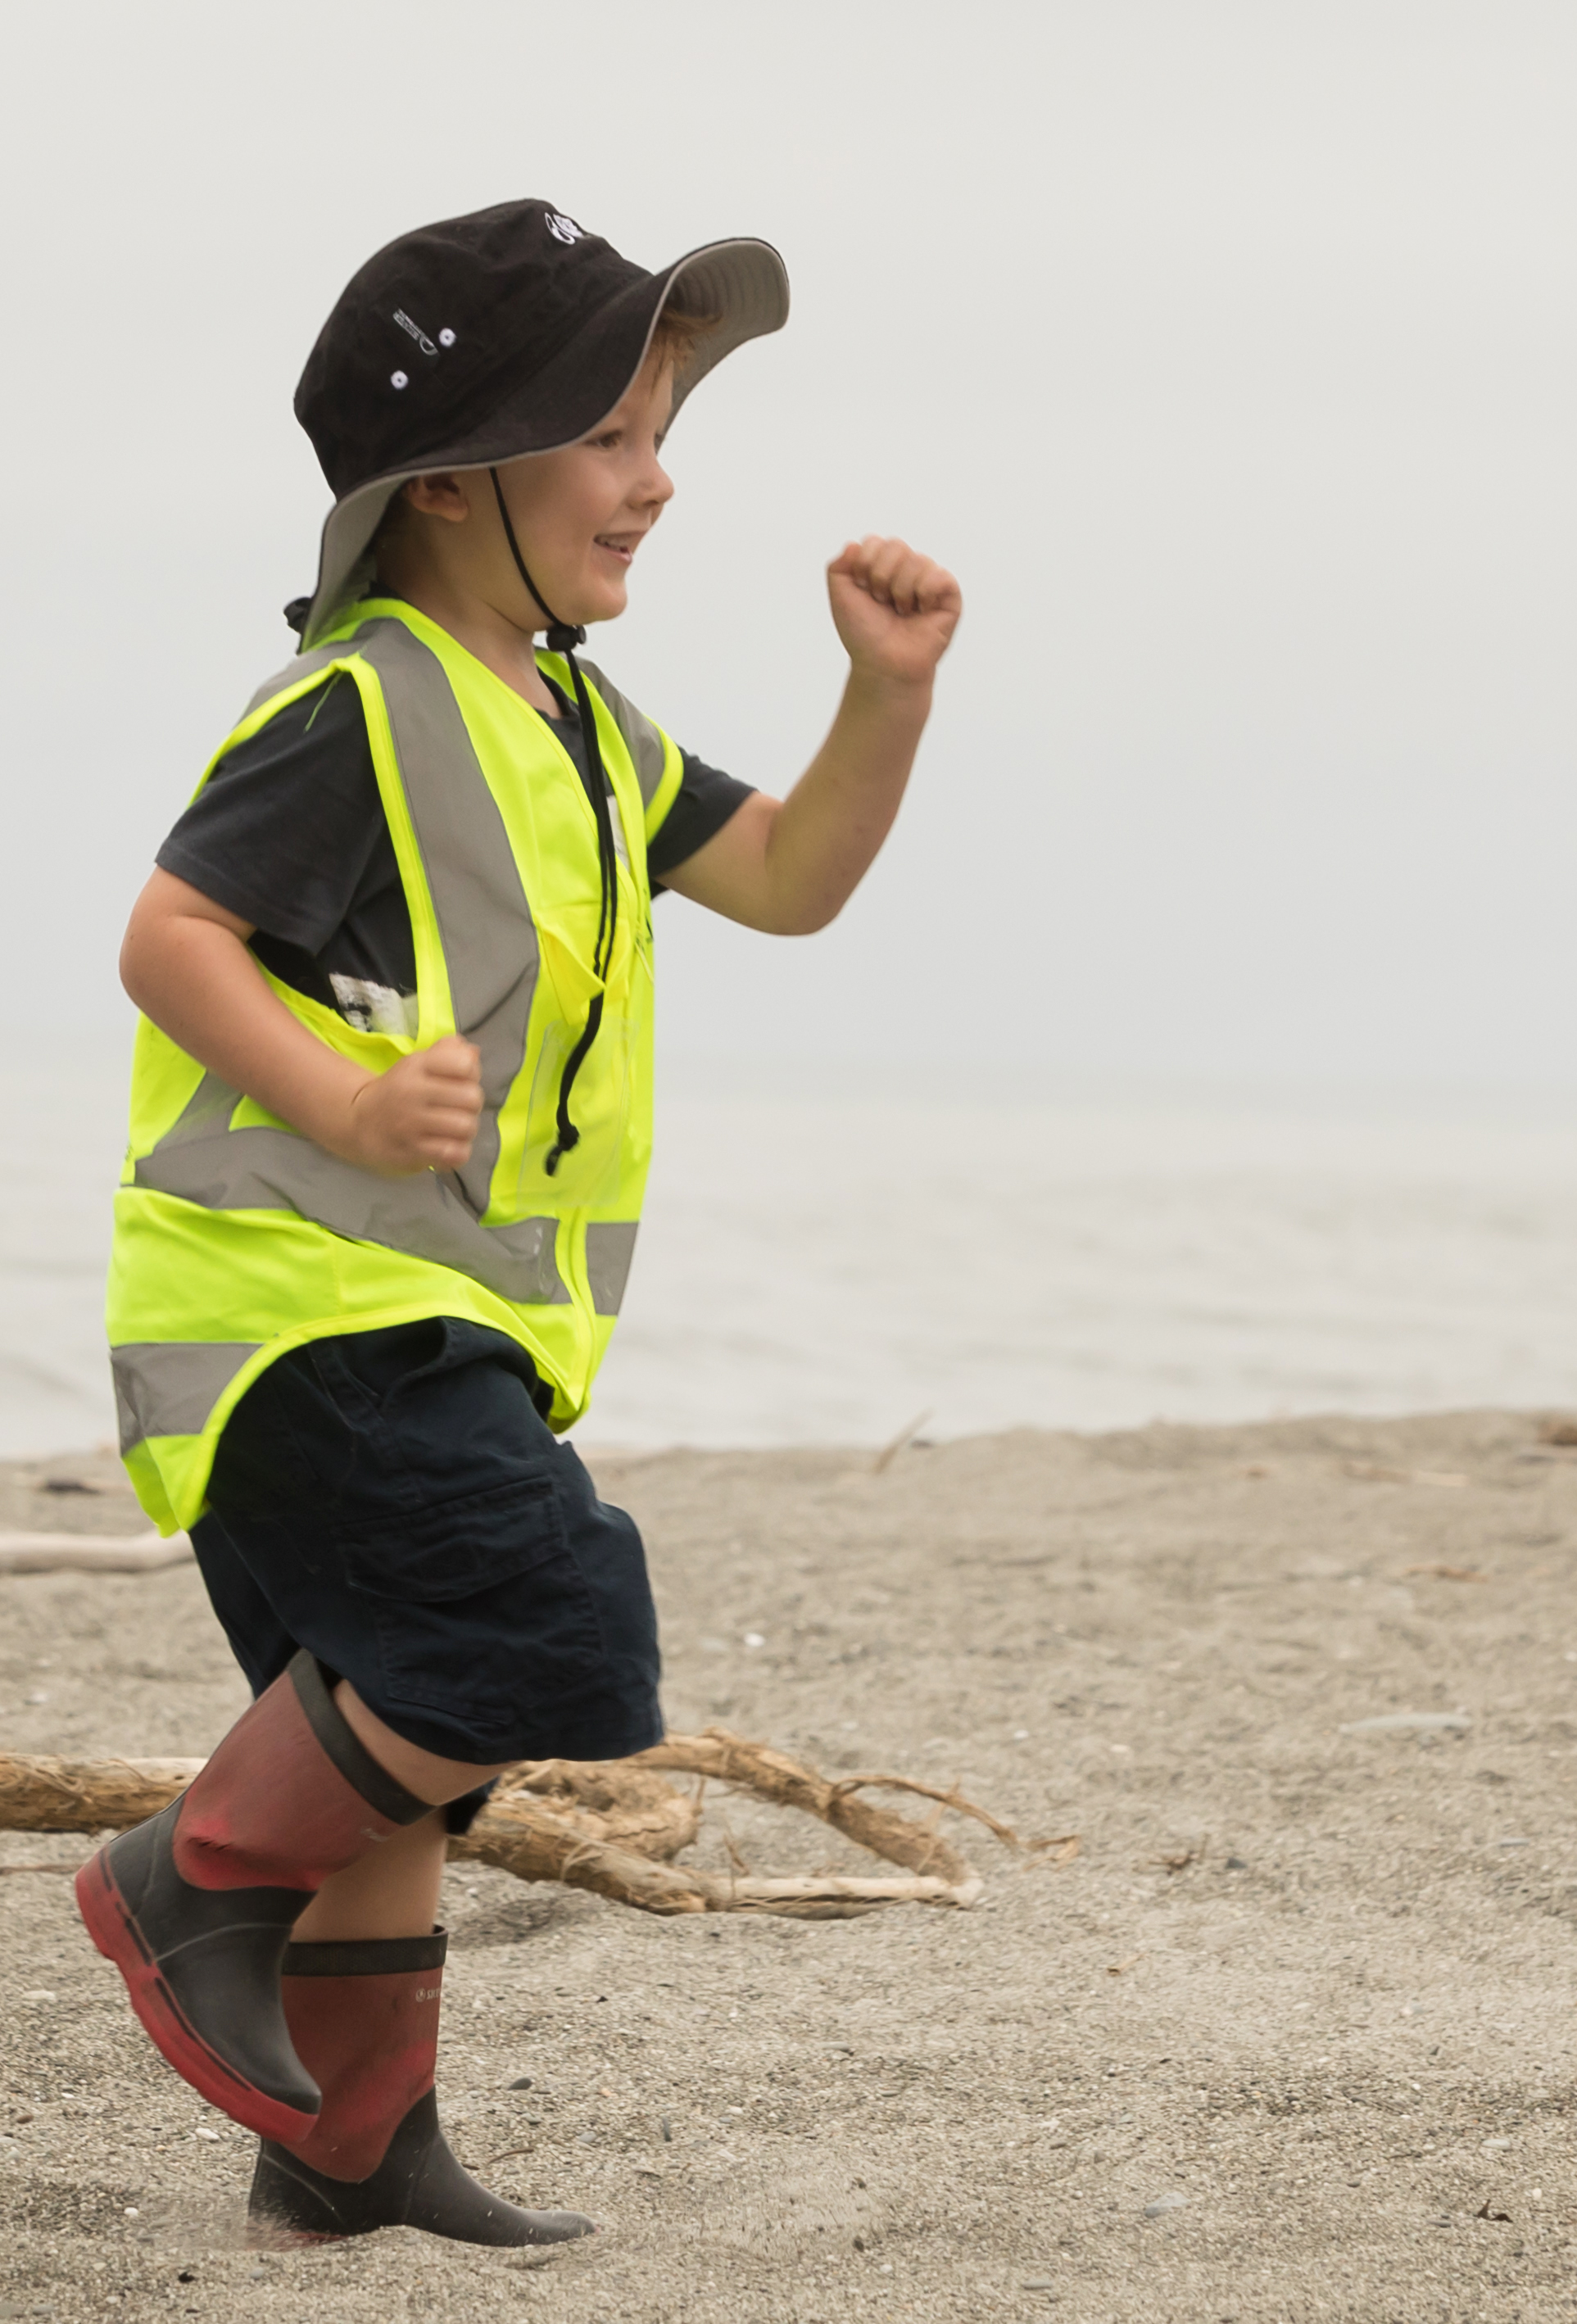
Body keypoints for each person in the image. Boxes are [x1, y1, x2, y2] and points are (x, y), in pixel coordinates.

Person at [79, 199, 960, 2245]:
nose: (660, 477)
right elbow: (170, 934)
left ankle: (351, 2151)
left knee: (403, 1740)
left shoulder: (575, 723)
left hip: (435, 1319)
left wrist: (887, 699)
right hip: (296, 1309)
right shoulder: (359, 704)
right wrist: (345, 1093)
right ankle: (178, 1884)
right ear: (457, 482)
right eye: (615, 433)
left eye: (663, 428)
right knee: (543, 1631)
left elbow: (788, 876)